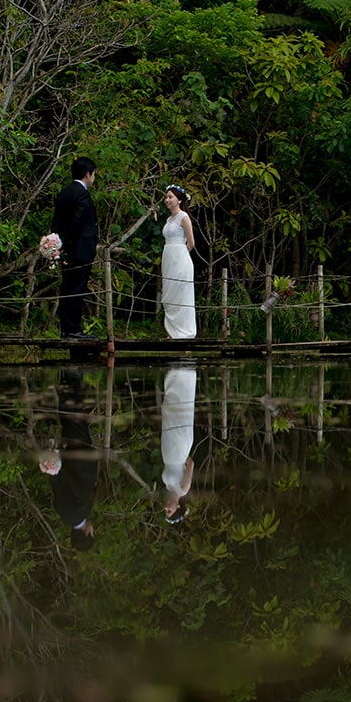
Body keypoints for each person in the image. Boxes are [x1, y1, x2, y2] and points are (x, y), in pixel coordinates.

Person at [48, 368, 98, 550]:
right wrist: (55, 463)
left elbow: (74, 484)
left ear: (88, 533)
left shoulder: (82, 511)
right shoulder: (62, 513)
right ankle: (65, 377)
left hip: (79, 454)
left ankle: (73, 375)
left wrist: (62, 465)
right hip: (68, 453)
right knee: (67, 417)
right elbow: (56, 486)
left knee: (76, 415)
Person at [50, 156, 99, 340]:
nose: (94, 178)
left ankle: (66, 328)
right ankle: (73, 329)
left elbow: (57, 222)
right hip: (80, 249)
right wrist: (68, 241)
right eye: (93, 174)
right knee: (76, 289)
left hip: (66, 250)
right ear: (88, 174)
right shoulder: (82, 194)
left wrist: (58, 244)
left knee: (68, 288)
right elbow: (76, 222)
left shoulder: (64, 192)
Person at [160, 365, 197, 523]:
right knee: (179, 410)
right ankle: (184, 374)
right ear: (178, 507)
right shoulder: (183, 489)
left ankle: (173, 374)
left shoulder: (167, 486)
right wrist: (182, 450)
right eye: (170, 511)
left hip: (167, 451)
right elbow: (191, 463)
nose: (166, 508)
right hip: (179, 448)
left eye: (165, 511)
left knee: (168, 410)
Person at [160, 184, 197, 339]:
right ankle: (172, 331)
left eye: (170, 197)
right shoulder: (169, 219)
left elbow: (191, 242)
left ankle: (184, 332)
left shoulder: (184, 217)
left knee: (181, 294)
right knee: (169, 294)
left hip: (180, 258)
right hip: (168, 257)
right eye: (166, 197)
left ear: (179, 200)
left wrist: (181, 256)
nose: (167, 200)